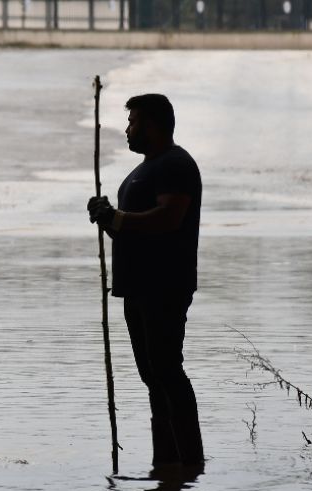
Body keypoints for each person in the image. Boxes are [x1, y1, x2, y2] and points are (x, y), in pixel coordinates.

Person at [88, 94, 205, 470]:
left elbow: (170, 218)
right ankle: (167, 464)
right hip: (138, 286)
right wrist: (107, 218)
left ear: (153, 125)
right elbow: (131, 232)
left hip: (164, 285)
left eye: (133, 122)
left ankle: (188, 460)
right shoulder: (144, 169)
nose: (127, 129)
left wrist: (119, 219)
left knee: (166, 369)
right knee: (153, 374)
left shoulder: (174, 165)